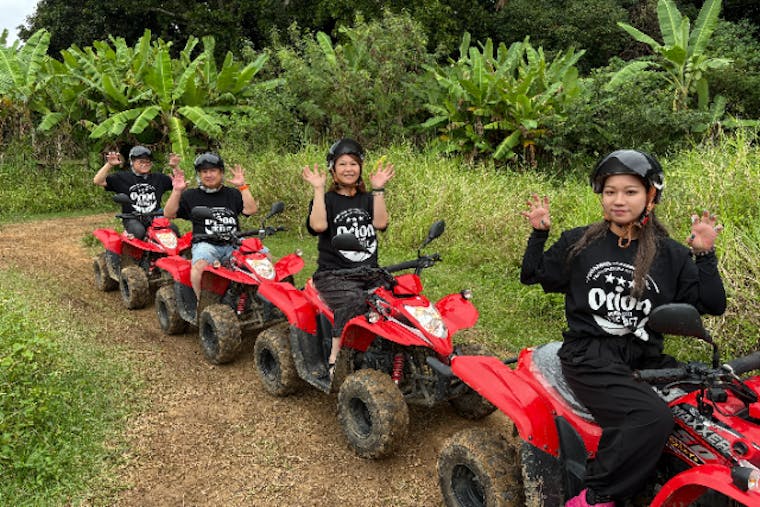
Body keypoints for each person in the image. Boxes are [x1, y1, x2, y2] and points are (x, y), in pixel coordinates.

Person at [519, 149, 726, 507]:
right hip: (589, 355)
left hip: (644, 356)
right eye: (610, 191)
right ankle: (595, 496)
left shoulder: (672, 255)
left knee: (711, 405)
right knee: (650, 418)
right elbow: (532, 275)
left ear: (651, 196)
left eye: (630, 191)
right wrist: (539, 235)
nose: (618, 200)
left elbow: (712, 304)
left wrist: (705, 255)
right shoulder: (579, 243)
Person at [302, 138, 395, 379]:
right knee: (354, 301)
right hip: (334, 275)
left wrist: (378, 190)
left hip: (368, 272)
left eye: (353, 163)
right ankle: (336, 360)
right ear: (333, 169)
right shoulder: (327, 200)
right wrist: (318, 190)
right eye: (342, 164)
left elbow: (380, 223)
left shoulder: (367, 199)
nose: (348, 169)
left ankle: (395, 353)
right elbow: (318, 226)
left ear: (360, 168)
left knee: (399, 299)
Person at [163, 152, 258, 300]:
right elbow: (169, 213)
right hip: (206, 244)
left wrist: (242, 186)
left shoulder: (232, 193)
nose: (208, 175)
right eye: (204, 171)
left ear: (221, 173)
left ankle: (259, 300)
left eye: (213, 170)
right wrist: (177, 191)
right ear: (199, 175)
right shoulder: (191, 196)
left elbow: (251, 210)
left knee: (263, 256)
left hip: (234, 242)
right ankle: (202, 304)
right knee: (199, 266)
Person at [93, 145, 178, 239]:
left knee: (173, 230)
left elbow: (179, 184)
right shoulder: (122, 177)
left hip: (155, 217)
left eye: (148, 162)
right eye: (141, 161)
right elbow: (98, 181)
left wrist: (175, 167)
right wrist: (109, 165)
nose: (145, 164)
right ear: (132, 162)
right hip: (132, 218)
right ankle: (127, 239)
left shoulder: (159, 178)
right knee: (139, 232)